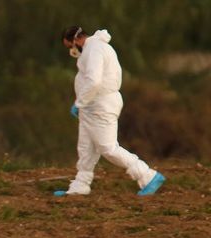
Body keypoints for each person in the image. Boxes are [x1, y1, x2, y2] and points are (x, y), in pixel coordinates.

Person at [56, 26, 166, 196]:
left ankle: (147, 175)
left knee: (108, 148)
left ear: (76, 40)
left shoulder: (95, 49)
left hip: (101, 105)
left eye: (70, 46)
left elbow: (94, 81)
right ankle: (80, 186)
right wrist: (82, 104)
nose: (71, 50)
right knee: (86, 147)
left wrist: (79, 102)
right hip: (91, 106)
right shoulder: (92, 49)